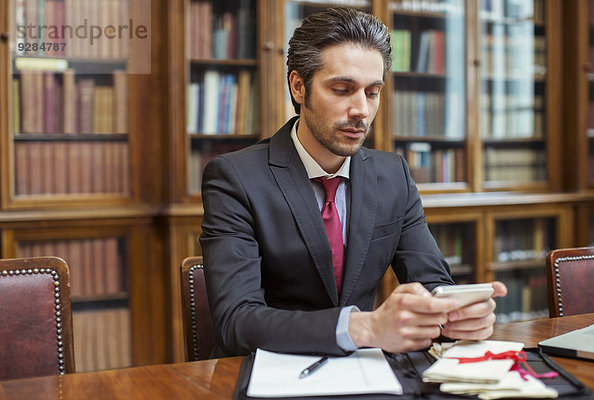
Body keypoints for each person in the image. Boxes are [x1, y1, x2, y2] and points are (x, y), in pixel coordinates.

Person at [200, 6, 507, 358]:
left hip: (367, 373)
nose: (361, 109)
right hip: (268, 375)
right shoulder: (235, 178)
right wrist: (365, 327)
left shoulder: (393, 175)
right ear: (299, 87)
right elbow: (236, 322)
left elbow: (433, 283)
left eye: (372, 92)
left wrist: (456, 314)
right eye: (343, 89)